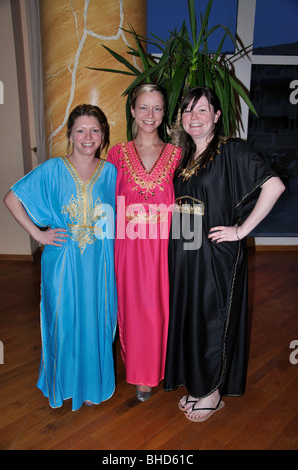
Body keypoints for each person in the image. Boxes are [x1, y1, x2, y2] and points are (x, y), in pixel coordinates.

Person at [164, 86, 285, 422]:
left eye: (202, 110)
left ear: (217, 116)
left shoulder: (230, 150)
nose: (193, 118)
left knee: (214, 320)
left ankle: (213, 392)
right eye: (188, 111)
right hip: (186, 252)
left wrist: (241, 230)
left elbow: (274, 186)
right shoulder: (186, 156)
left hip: (217, 255)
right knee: (192, 319)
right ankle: (198, 383)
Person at [4, 104, 117, 411]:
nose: (88, 136)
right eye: (80, 130)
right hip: (62, 261)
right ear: (70, 135)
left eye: (95, 130)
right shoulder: (52, 169)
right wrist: (39, 235)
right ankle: (63, 383)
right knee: (63, 321)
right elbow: (12, 198)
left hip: (99, 264)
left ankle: (92, 384)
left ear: (103, 135)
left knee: (96, 319)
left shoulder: (110, 173)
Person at [107, 84, 181, 401]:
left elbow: (189, 204)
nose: (149, 115)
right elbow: (103, 202)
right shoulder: (115, 154)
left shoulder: (178, 155)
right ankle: (140, 374)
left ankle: (162, 367)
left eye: (157, 108)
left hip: (164, 249)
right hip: (128, 249)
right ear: (133, 111)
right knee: (134, 310)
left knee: (160, 309)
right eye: (143, 107)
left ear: (164, 114)